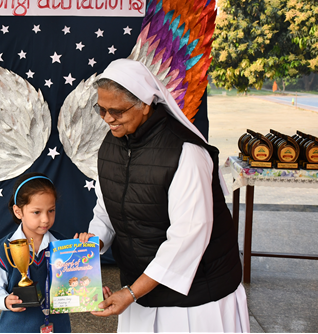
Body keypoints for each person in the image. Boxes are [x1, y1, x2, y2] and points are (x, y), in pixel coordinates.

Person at [75, 58, 250, 333]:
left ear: (145, 105)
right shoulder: (111, 145)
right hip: (140, 289)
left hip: (196, 300)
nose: (107, 119)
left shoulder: (185, 152)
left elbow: (187, 237)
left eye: (117, 111)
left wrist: (131, 292)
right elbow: (107, 209)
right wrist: (93, 244)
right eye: (101, 109)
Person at [0, 173, 71, 333]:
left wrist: (92, 289)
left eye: (51, 210)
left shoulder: (64, 246)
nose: (45, 219)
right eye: (37, 212)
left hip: (57, 327)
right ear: (18, 212)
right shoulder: (4, 249)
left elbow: (78, 282)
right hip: (16, 328)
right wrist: (5, 300)